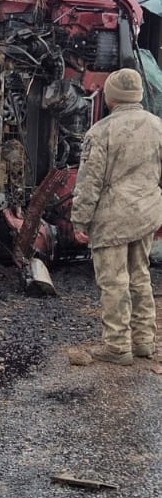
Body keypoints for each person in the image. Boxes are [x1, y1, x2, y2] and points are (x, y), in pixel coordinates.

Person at [71, 67, 162, 365]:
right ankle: (144, 342)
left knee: (113, 281)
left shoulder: (101, 132)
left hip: (112, 219)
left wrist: (79, 221)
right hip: (146, 213)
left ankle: (117, 346)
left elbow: (89, 183)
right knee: (140, 275)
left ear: (110, 97)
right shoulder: (158, 126)